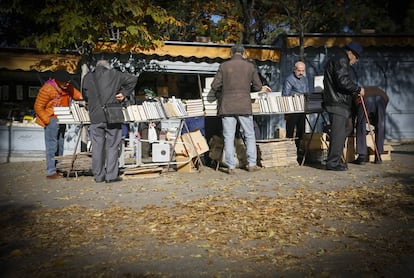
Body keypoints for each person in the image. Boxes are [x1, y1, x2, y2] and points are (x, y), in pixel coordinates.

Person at [210, 44, 270, 174]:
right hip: (244, 105)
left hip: (227, 105)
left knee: (229, 136)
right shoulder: (250, 66)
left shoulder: (224, 66)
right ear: (243, 53)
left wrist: (224, 91)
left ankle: (230, 166)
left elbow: (214, 86)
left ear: (231, 53)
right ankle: (252, 164)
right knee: (249, 134)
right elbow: (258, 86)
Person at [82, 59, 137, 183]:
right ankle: (111, 176)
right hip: (112, 115)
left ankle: (98, 176)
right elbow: (133, 79)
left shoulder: (87, 77)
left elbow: (84, 96)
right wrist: (124, 93)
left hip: (95, 116)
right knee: (112, 146)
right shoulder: (115, 74)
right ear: (108, 67)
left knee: (97, 146)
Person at [323, 41, 365, 171]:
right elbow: (343, 81)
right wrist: (357, 89)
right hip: (337, 103)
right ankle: (332, 163)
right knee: (338, 134)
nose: (356, 61)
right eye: (357, 57)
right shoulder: (341, 59)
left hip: (338, 102)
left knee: (342, 132)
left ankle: (335, 160)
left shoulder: (339, 59)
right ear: (351, 54)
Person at [34, 70, 83, 179]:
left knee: (60, 145)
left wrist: (84, 98)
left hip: (62, 118)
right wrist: (47, 120)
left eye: (68, 82)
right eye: (65, 82)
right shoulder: (47, 89)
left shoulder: (67, 86)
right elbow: (38, 107)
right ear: (57, 81)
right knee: (52, 146)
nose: (67, 84)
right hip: (51, 119)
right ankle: (51, 171)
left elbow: (76, 94)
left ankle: (58, 168)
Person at [352, 86, 388, 165]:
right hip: (382, 98)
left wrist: (351, 130)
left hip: (365, 98)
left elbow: (353, 115)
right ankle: (378, 157)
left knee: (360, 125)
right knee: (380, 126)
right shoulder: (381, 92)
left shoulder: (354, 96)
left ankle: (362, 156)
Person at [282, 61, 310, 152]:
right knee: (290, 131)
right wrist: (286, 111)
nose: (301, 73)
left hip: (302, 108)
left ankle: (298, 150)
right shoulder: (289, 79)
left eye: (303, 70)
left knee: (301, 131)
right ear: (294, 70)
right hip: (292, 109)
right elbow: (285, 95)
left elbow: (307, 92)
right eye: (299, 70)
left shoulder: (305, 79)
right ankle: (289, 151)